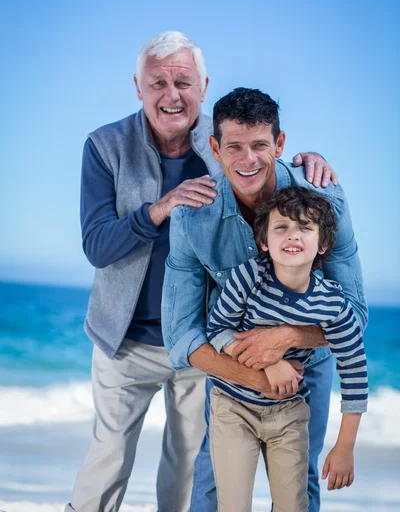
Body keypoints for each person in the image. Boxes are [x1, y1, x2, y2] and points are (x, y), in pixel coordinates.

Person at [65, 33, 330, 512]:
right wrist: (158, 210)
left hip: (202, 337)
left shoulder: (221, 141)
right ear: (138, 87)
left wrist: (309, 164)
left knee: (187, 464)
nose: (172, 95)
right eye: (158, 83)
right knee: (108, 458)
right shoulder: (105, 146)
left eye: (183, 81)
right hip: (123, 340)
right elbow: (97, 246)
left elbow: (263, 164)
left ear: (203, 86)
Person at [162, 87, 368, 512]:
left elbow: (355, 317)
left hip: (308, 365)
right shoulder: (191, 217)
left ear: (280, 145)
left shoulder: (327, 201)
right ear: (215, 148)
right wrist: (257, 374)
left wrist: (284, 336)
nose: (248, 159)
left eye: (260, 145)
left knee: (298, 483)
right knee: (213, 481)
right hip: (233, 363)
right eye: (233, 146)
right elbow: (181, 335)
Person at [206, 186, 368, 511]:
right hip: (233, 406)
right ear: (264, 241)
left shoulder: (333, 304)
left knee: (293, 506)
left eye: (305, 228)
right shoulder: (248, 277)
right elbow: (216, 329)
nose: (292, 236)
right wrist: (268, 363)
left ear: (322, 244)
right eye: (281, 227)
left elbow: (354, 369)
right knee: (233, 505)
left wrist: (345, 446)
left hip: (289, 412)